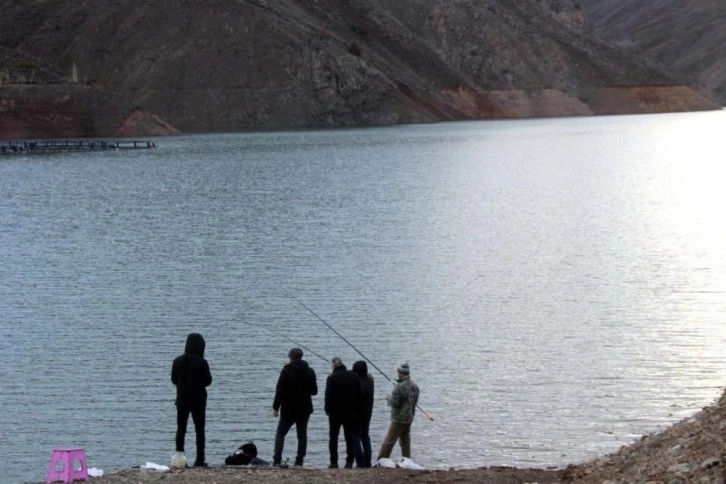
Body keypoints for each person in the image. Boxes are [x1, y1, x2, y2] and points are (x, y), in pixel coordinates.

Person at [171, 332, 213, 467]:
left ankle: (179, 457)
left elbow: (173, 379)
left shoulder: (177, 361)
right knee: (199, 429)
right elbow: (208, 381)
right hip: (198, 401)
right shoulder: (202, 362)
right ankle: (200, 459)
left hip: (182, 400)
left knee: (181, 428)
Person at [272, 347, 318, 467]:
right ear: (301, 357)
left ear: (290, 357)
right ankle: (299, 461)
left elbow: (280, 390)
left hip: (289, 408)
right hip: (305, 408)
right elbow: (314, 391)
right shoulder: (310, 371)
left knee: (281, 433)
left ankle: (277, 460)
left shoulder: (286, 371)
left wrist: (275, 407)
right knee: (302, 434)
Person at [325, 357, 363, 468]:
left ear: (333, 366)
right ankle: (349, 462)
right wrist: (357, 410)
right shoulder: (354, 376)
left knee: (333, 438)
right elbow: (359, 394)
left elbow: (328, 396)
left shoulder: (331, 378)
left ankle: (334, 462)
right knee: (349, 438)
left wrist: (327, 410)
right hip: (350, 412)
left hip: (335, 413)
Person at [377, 362, 420, 461]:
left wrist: (388, 398)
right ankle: (407, 460)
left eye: (398, 372)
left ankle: (381, 461)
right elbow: (414, 402)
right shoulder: (415, 386)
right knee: (405, 441)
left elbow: (395, 403)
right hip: (409, 417)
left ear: (400, 373)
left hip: (398, 419)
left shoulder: (399, 387)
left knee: (389, 441)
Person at [352, 360, 375, 467]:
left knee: (355, 437)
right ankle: (368, 462)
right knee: (365, 436)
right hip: (368, 413)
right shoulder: (370, 380)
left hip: (357, 414)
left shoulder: (358, 383)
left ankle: (360, 463)